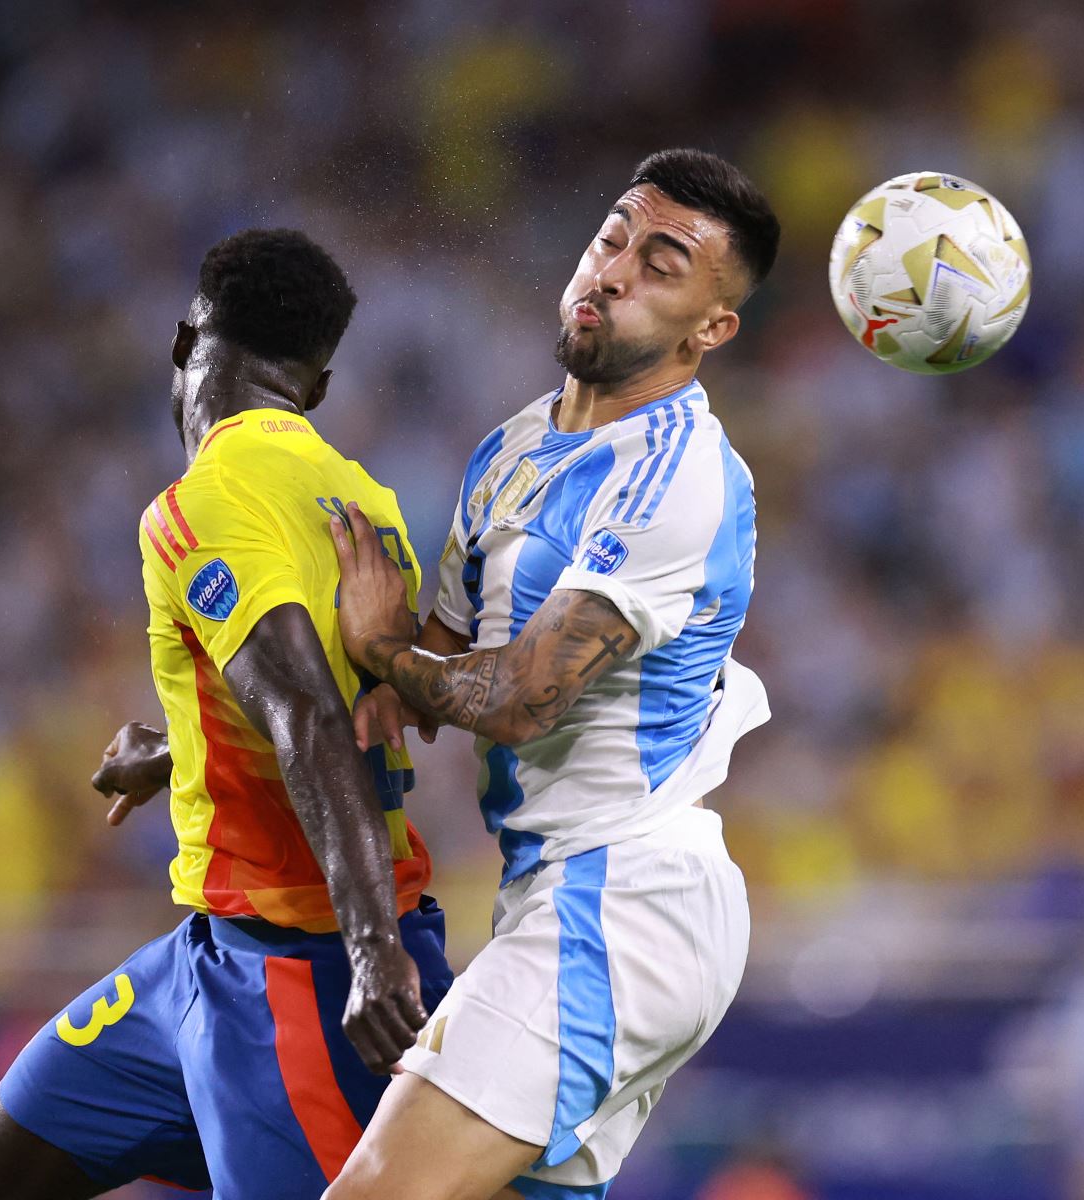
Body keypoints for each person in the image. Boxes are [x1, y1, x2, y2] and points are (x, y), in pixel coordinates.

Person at [0, 229, 451, 1200]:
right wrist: (180, 748)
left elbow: (311, 719)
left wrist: (372, 954)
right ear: (316, 388)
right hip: (209, 956)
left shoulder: (201, 504)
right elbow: (319, 690)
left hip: (309, 967)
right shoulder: (361, 497)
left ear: (181, 341)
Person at [323, 148, 779, 1200]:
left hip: (625, 894)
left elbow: (517, 699)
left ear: (710, 331)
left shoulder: (681, 474)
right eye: (612, 237)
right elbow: (419, 682)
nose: (614, 271)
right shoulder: (514, 447)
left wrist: (386, 645)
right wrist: (210, 734)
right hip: (555, 893)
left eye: (662, 265)